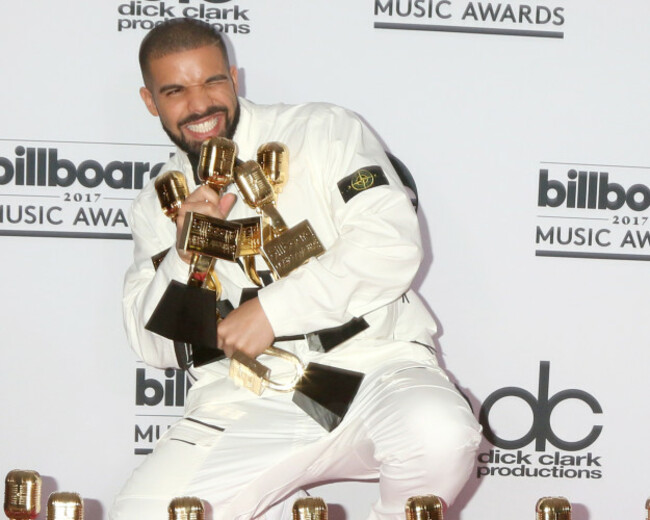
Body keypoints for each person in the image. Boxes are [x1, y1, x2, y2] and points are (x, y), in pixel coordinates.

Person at [112, 17, 481, 520]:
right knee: (143, 514)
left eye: (213, 81)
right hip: (248, 398)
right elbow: (156, 345)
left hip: (369, 365)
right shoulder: (159, 203)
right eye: (175, 90)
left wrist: (272, 310)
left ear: (234, 79)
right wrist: (186, 253)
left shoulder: (322, 130)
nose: (200, 105)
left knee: (439, 433)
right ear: (150, 101)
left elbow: (389, 243)